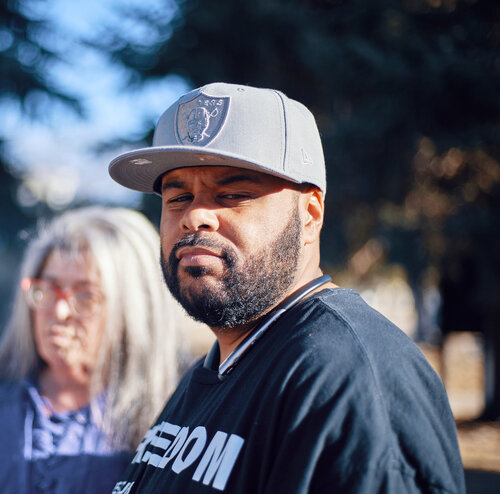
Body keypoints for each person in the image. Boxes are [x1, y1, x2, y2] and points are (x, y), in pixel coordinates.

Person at [107, 83, 465, 493]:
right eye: (178, 198)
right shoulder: (213, 370)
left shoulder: (348, 379)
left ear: (310, 215)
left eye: (233, 194)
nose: (196, 216)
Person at [0, 206, 192, 494]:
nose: (59, 311)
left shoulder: (172, 429)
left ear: (134, 311)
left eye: (85, 295)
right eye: (47, 289)